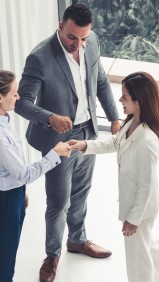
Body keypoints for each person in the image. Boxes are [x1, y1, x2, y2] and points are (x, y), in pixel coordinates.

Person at [13, 4, 120, 281]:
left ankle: (77, 239)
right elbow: (22, 104)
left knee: (82, 192)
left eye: (83, 38)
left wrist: (114, 118)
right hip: (59, 140)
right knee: (59, 201)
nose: (78, 44)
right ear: (61, 26)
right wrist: (50, 118)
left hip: (89, 134)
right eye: (73, 37)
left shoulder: (91, 43)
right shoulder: (40, 57)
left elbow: (101, 82)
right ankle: (52, 254)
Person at [68, 72, 159, 282]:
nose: (119, 100)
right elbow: (115, 142)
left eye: (124, 96)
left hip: (142, 207)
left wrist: (133, 219)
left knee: (138, 258)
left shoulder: (147, 142)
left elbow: (146, 186)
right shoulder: (132, 122)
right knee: (150, 247)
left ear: (139, 101)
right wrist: (84, 145)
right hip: (143, 204)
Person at [0, 70, 71, 282]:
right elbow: (23, 173)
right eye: (14, 93)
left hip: (13, 193)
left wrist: (21, 190)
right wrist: (54, 154)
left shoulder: (5, 119)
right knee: (5, 255)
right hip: (6, 200)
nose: (18, 97)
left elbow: (12, 170)